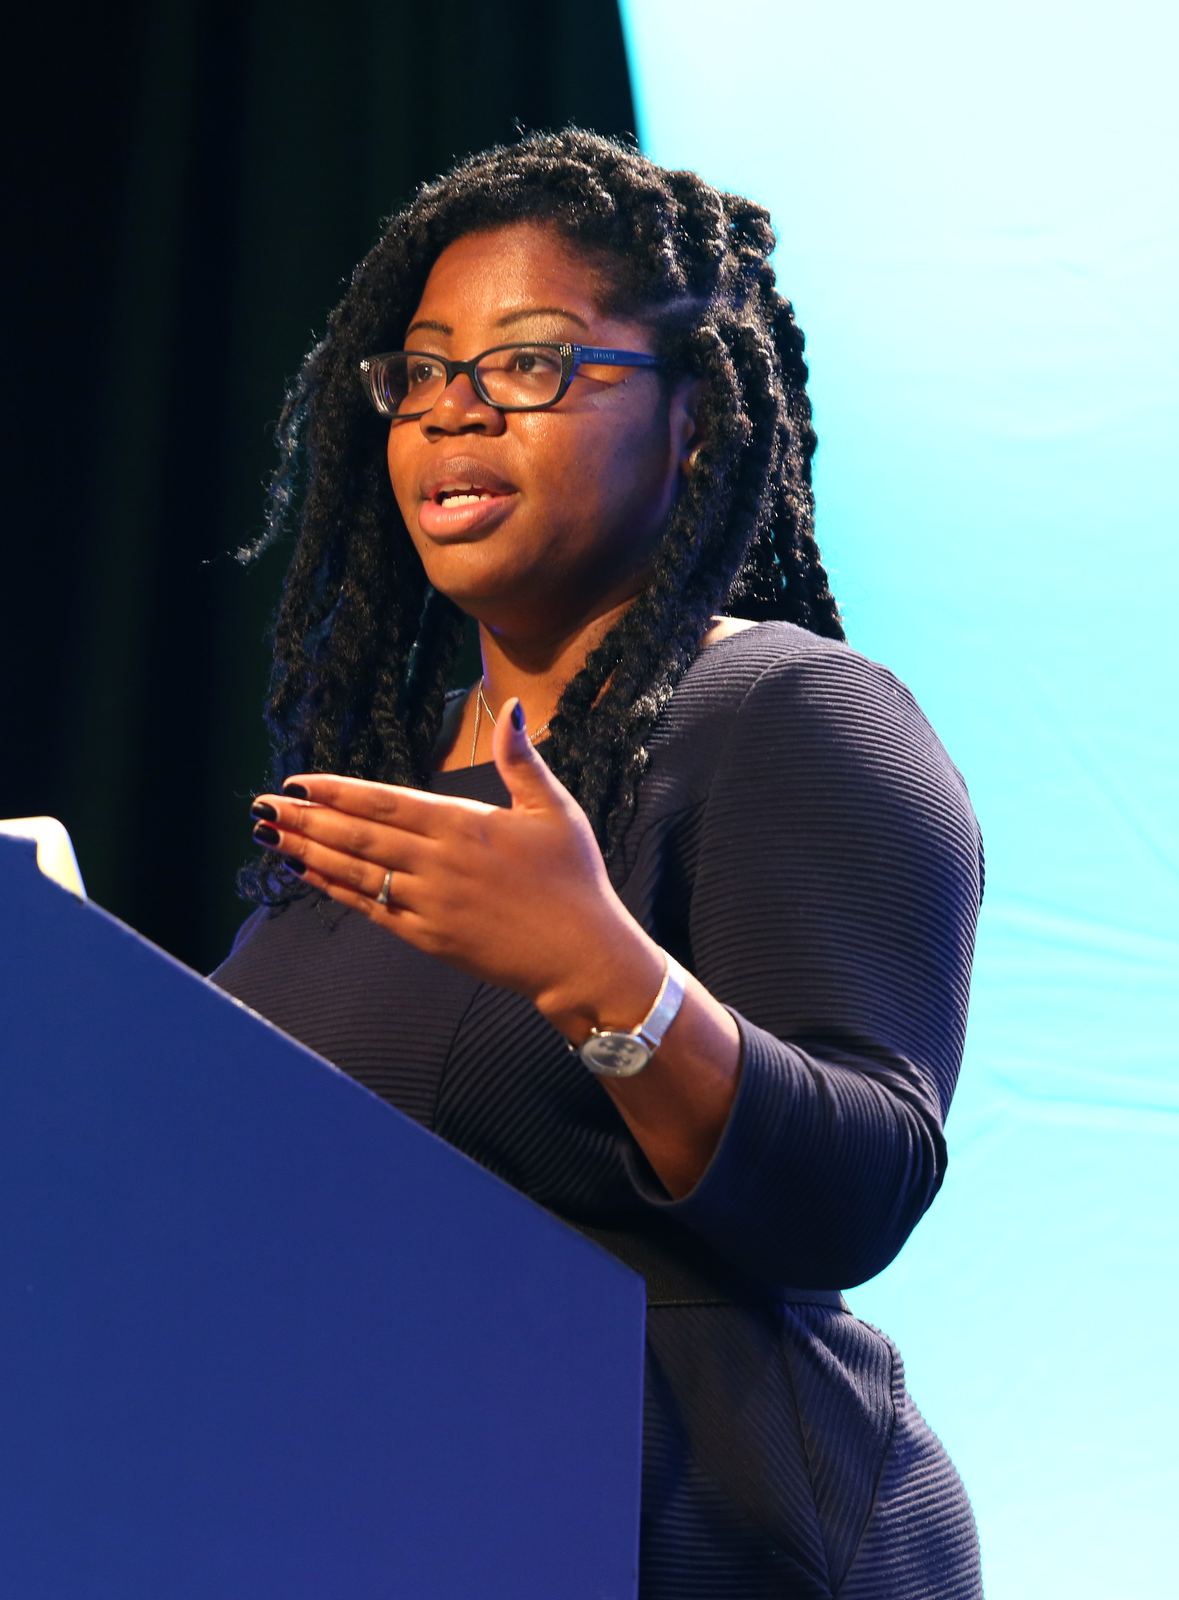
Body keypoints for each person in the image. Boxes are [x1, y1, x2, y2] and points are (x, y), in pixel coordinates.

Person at [215, 129, 983, 1598]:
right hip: (394, 1527)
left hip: (695, 1543)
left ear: (693, 422)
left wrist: (598, 972)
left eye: (531, 366)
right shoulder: (385, 808)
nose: (455, 413)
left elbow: (861, 1185)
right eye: (423, 370)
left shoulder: (786, 713)